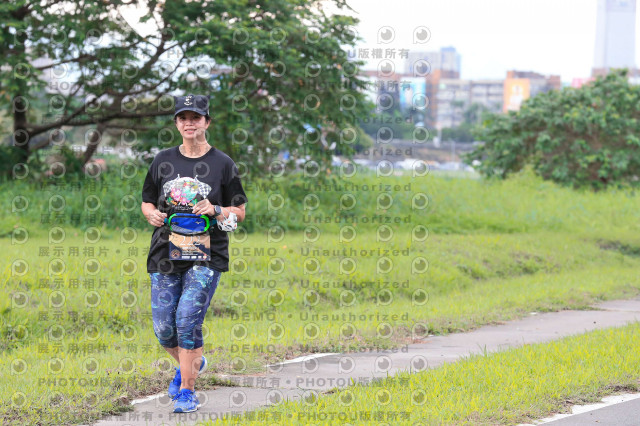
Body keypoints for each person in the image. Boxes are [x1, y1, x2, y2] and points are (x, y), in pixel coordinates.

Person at [140, 94, 248, 413]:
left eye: (196, 117)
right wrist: (150, 213)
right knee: (164, 329)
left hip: (206, 254)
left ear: (206, 122)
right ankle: (192, 363)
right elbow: (147, 200)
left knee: (187, 322)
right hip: (165, 252)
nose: (189, 123)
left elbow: (240, 212)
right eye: (183, 118)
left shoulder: (223, 164)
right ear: (176, 123)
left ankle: (187, 392)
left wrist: (216, 209)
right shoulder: (163, 160)